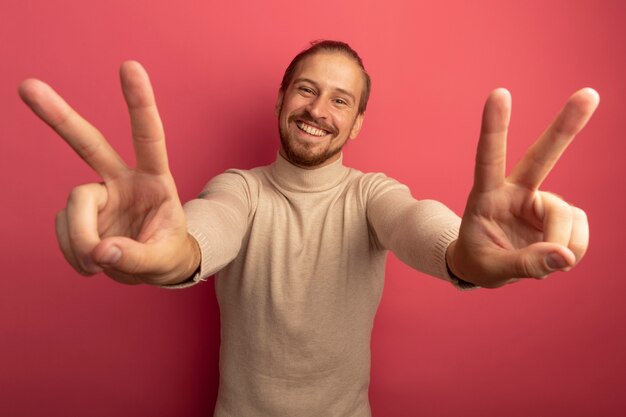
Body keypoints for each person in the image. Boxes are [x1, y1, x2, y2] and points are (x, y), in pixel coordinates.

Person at [19, 40, 598, 417]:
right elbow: (200, 237)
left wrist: (471, 260)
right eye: (306, 89)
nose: (319, 109)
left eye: (340, 100)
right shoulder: (239, 189)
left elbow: (420, 225)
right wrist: (163, 256)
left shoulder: (372, 194)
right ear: (280, 101)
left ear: (356, 124)